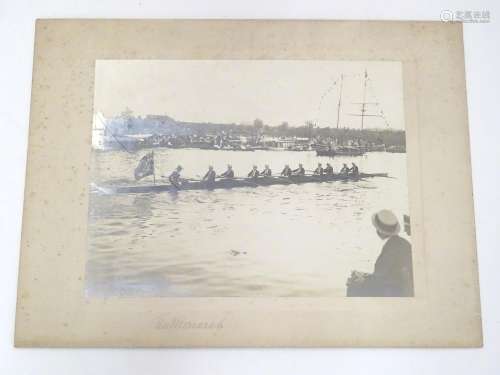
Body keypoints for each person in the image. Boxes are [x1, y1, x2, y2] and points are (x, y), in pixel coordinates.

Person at [346, 210, 414, 297]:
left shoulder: (390, 248)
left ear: (379, 231)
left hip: (392, 291)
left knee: (352, 285)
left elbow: (381, 278)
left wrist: (361, 279)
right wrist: (364, 275)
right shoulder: (403, 243)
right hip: (397, 285)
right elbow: (385, 273)